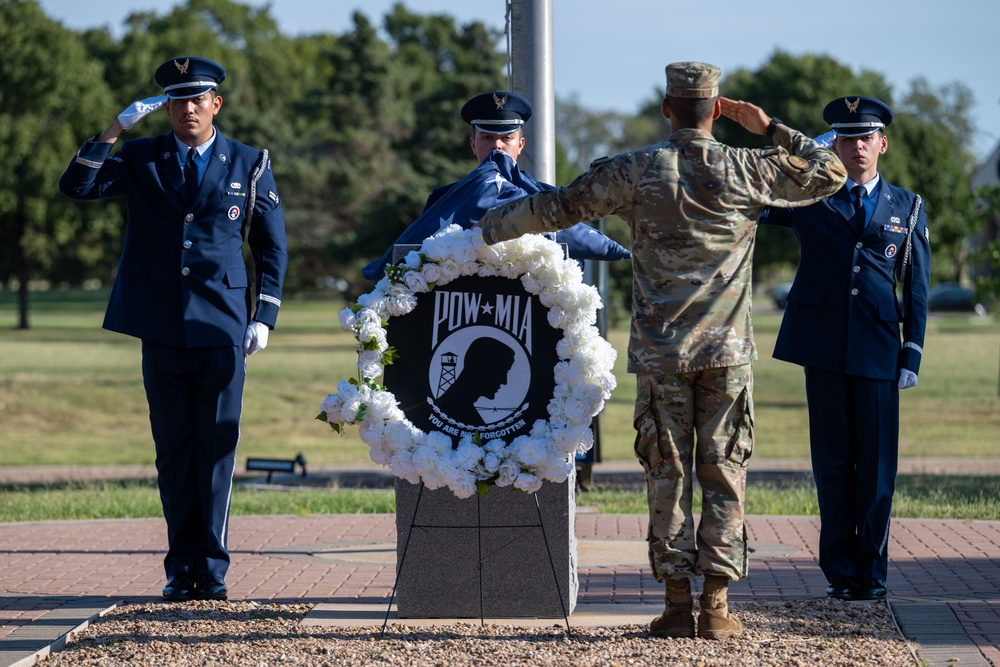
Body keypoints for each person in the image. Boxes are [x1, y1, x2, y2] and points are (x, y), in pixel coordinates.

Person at [476, 62, 847, 640]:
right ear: (718, 109)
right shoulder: (749, 167)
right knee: (723, 472)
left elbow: (557, 209)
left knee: (666, 474)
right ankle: (717, 607)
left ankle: (677, 605)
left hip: (661, 355)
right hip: (727, 354)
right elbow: (830, 172)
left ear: (667, 109)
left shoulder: (635, 170)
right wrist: (769, 125)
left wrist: (486, 229)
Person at [59, 56, 288, 602]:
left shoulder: (249, 162)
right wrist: (115, 129)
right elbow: (76, 187)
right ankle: (178, 567)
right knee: (173, 450)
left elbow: (270, 245)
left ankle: (211, 570)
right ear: (166, 107)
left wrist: (265, 315)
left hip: (223, 323)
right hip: (160, 323)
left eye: (197, 99)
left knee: (216, 449)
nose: (187, 108)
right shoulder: (139, 157)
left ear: (216, 104)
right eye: (177, 100)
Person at [759, 96, 930, 602]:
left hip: (879, 348)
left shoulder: (908, 205)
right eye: (845, 138)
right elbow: (761, 193)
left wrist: (912, 351)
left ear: (882, 144)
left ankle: (872, 572)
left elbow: (916, 286)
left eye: (864, 138)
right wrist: (806, 151)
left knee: (876, 468)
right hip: (824, 345)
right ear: (834, 143)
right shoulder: (810, 198)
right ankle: (840, 572)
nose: (856, 148)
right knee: (832, 464)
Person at [361, 91, 629, 280]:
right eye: (487, 137)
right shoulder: (443, 199)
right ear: (473, 144)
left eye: (507, 138)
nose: (497, 146)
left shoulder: (549, 198)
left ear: (520, 144)